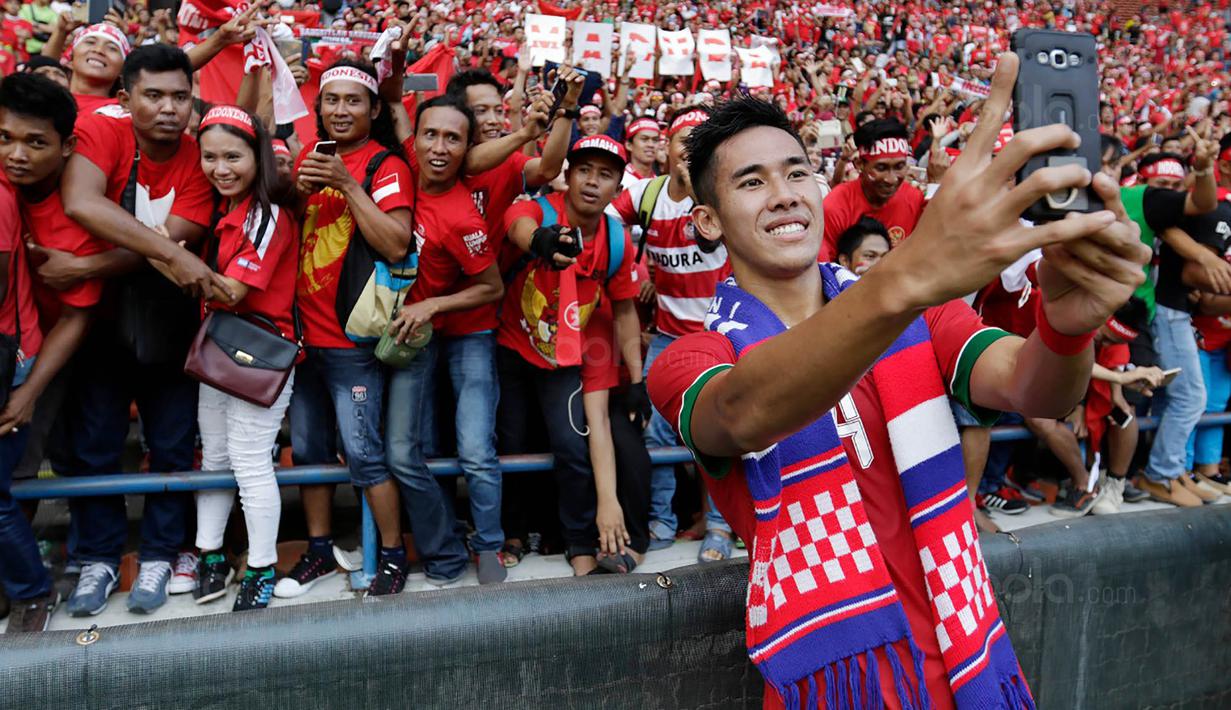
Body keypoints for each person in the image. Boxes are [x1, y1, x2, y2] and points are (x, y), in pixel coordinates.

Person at [648, 52, 1148, 709]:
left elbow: (1038, 392)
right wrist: (903, 278)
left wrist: (1065, 329)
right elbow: (742, 412)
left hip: (968, 665)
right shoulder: (689, 356)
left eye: (796, 171)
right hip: (840, 689)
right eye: (750, 182)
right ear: (707, 221)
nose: (783, 194)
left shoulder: (920, 312)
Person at [60, 44, 223, 616]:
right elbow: (81, 202)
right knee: (97, 447)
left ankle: (159, 553)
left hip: (170, 321)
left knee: (173, 447)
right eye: (153, 96)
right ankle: (100, 559)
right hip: (97, 322)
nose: (168, 108)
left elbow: (178, 239)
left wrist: (87, 263)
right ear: (126, 98)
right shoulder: (103, 130)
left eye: (180, 96)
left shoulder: (200, 155)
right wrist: (172, 255)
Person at [278, 60, 413, 598]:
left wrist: (346, 183)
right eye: (331, 100)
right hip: (300, 337)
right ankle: (317, 552)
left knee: (364, 453)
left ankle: (393, 555)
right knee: (308, 451)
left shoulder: (387, 165)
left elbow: (396, 242)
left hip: (351, 341)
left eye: (353, 100)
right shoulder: (309, 161)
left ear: (374, 109)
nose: (340, 110)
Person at [497, 134, 642, 576]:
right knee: (510, 442)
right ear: (568, 175)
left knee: (570, 446)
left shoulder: (617, 242)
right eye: (584, 170)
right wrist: (541, 240)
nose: (592, 182)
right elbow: (515, 224)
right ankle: (513, 533)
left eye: (605, 175)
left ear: (618, 189)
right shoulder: (540, 211)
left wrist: (636, 380)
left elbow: (624, 310)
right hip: (513, 346)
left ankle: (580, 542)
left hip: (568, 354)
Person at [383, 95, 505, 587]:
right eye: (430, 135)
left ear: (467, 147)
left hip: (467, 335)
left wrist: (432, 305)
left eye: (453, 138)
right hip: (418, 337)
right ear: (415, 139)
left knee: (475, 449)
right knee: (413, 449)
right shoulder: (404, 164)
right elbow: (392, 103)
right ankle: (445, 545)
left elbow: (491, 287)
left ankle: (490, 545)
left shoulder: (463, 219)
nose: (439, 147)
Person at [609, 106, 735, 560]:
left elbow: (708, 241)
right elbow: (603, 220)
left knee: (718, 433)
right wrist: (633, 269)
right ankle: (661, 517)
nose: (691, 150)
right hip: (665, 335)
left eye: (702, 142)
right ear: (667, 146)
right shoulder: (646, 194)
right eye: (686, 140)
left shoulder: (719, 195)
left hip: (718, 335)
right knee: (655, 433)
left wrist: (698, 187)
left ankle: (721, 526)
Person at [187, 105, 298, 612]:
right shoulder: (221, 208)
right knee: (214, 457)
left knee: (252, 464)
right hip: (219, 346)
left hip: (260, 351)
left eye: (233, 156)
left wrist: (160, 251)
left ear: (258, 158)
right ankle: (210, 554)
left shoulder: (267, 213)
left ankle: (260, 568)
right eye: (210, 156)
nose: (220, 167)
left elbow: (232, 291)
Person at [0, 73, 96, 632]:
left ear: (66, 146)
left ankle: (43, 582)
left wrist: (28, 392)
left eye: (35, 143)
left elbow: (78, 317)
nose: (16, 154)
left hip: (44, 354)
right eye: (6, 138)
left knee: (39, 461)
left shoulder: (76, 215)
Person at [820, 117, 927, 261]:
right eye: (881, 168)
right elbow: (824, 271)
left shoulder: (914, 198)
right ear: (859, 164)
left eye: (899, 167)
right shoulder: (834, 207)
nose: (891, 179)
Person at [622, 116, 659, 187]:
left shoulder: (661, 185)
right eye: (644, 139)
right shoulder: (619, 180)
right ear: (629, 145)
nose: (651, 145)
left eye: (655, 140)